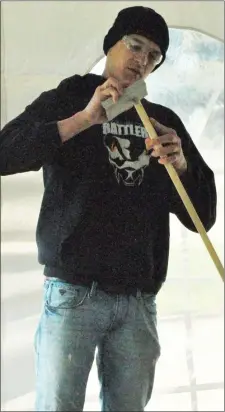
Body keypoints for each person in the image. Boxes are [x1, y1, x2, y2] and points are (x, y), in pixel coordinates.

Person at [0, 6, 217, 412]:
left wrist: (183, 166)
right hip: (73, 295)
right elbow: (5, 152)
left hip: (137, 302)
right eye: (134, 46)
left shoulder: (161, 120)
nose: (142, 60)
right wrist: (82, 120)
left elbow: (202, 216)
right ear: (111, 44)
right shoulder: (69, 96)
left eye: (154, 55)